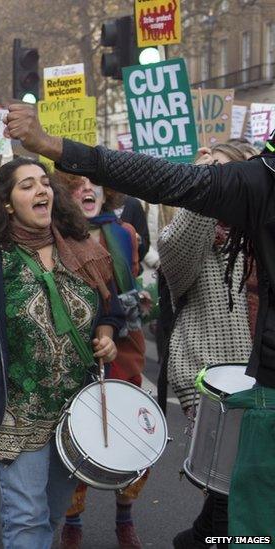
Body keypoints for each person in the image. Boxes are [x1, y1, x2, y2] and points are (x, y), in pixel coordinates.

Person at [6, 102, 275, 546]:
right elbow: (171, 182)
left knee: (227, 512)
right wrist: (52, 145)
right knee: (248, 520)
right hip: (250, 385)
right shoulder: (260, 180)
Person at [0, 157, 123, 549]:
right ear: (8, 203)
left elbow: (109, 310)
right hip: (15, 411)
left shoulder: (81, 249)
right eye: (27, 185)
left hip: (72, 411)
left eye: (44, 183)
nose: (40, 190)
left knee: (53, 513)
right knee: (26, 519)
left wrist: (106, 334)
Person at [158, 144, 255, 548]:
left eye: (223, 174)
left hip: (264, 377)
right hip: (214, 386)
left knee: (242, 495)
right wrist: (205, 185)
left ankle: (196, 539)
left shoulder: (260, 229)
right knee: (232, 494)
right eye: (206, 174)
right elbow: (177, 248)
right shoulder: (187, 241)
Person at [57, 172, 148, 549]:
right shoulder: (54, 235)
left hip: (124, 344)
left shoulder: (125, 233)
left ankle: (124, 517)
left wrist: (141, 299)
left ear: (106, 190)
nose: (87, 189)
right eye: (77, 185)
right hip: (75, 343)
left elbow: (134, 282)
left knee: (130, 431)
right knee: (79, 431)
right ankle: (72, 519)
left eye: (94, 182)